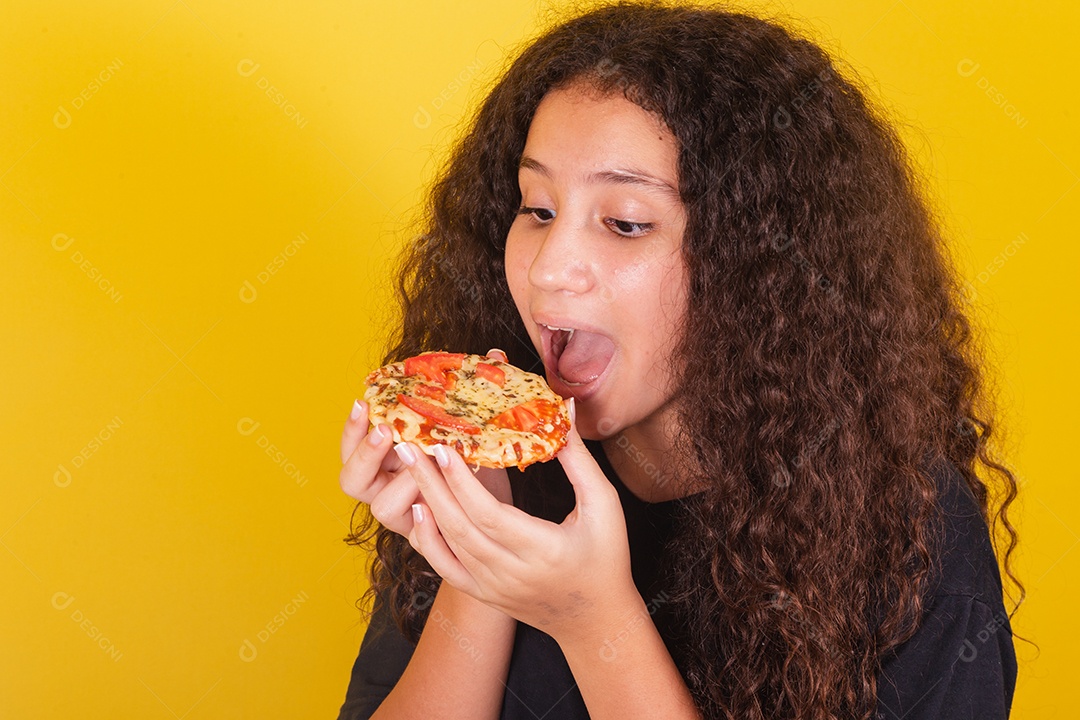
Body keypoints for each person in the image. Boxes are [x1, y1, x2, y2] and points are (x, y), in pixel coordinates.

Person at [336, 3, 1022, 718]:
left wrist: (594, 620)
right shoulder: (498, 470)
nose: (547, 270)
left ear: (760, 265)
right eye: (536, 208)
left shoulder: (909, 534)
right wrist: (477, 553)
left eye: (625, 222)